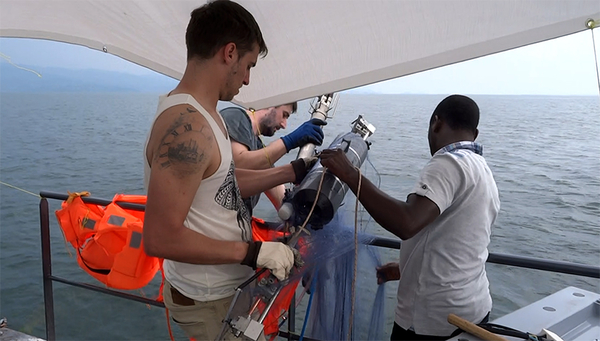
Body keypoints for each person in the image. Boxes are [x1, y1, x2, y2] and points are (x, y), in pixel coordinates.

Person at [142, 1, 314, 340]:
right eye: (249, 65)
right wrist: (253, 252)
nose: (248, 80)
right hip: (208, 301)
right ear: (230, 53)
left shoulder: (209, 116)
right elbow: (159, 237)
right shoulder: (188, 125)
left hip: (225, 292)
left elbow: (224, 183)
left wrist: (291, 171)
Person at [320, 94, 500, 340]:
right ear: (475, 134)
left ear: (436, 123)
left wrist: (351, 175)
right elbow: (458, 239)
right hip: (473, 311)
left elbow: (407, 222)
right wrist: (408, 268)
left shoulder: (447, 163)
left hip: (434, 322)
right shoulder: (483, 170)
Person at [221, 104, 326, 212]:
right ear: (271, 105)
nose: (284, 125)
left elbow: (280, 195)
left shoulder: (258, 148)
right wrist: (289, 141)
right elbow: (239, 165)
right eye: (284, 115)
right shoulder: (235, 116)